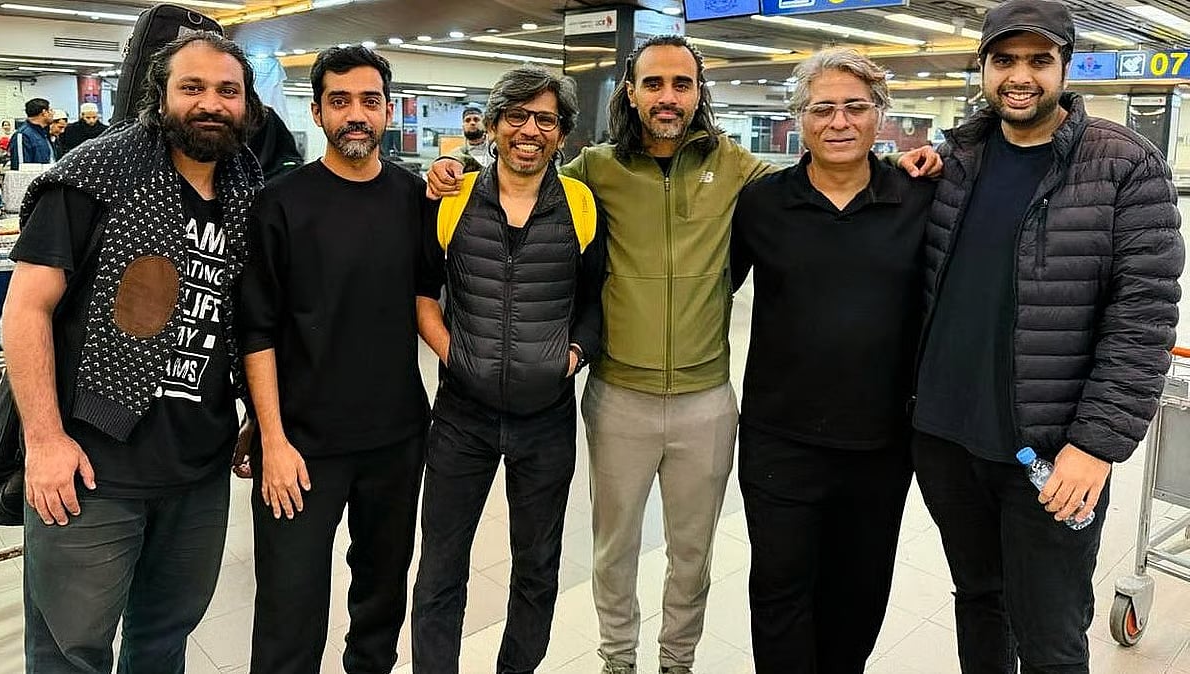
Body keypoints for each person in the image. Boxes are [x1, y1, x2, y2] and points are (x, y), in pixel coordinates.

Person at [429, 35, 940, 674]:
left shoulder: (739, 169)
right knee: (613, 549)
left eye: (681, 84)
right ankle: (618, 658)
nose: (667, 97)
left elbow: (822, 173)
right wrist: (453, 171)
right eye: (653, 84)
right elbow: (525, 177)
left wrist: (910, 160)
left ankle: (677, 660)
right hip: (619, 395)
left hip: (707, 400)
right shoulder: (595, 169)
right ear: (631, 94)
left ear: (700, 94)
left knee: (691, 553)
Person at [910, 1, 1185, 672]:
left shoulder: (1124, 164)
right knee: (979, 601)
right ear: (983, 67)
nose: (1020, 76)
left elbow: (1144, 316)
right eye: (1004, 60)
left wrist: (1095, 445)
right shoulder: (958, 160)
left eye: (1039, 60)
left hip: (1052, 455)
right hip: (946, 439)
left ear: (1066, 66)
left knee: (1050, 635)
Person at [4, 31, 264, 674]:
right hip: (92, 467)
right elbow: (26, 309)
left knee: (163, 642)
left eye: (227, 90)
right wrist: (44, 441)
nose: (210, 103)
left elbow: (245, 320)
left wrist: (255, 414)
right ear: (160, 96)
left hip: (197, 467)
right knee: (70, 653)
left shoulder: (247, 189)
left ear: (246, 104)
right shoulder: (93, 175)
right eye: (192, 87)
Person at [730, 48, 934, 673]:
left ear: (880, 116)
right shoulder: (762, 203)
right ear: (800, 119)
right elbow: (708, 288)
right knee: (779, 590)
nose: (839, 121)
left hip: (882, 442)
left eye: (855, 107)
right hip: (779, 439)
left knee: (858, 591)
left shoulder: (920, 197)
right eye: (822, 108)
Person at [238, 45, 431, 674]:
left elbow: (432, 300)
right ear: (317, 112)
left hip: (396, 439)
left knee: (381, 599)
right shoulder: (280, 202)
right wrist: (271, 438)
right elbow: (256, 330)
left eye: (370, 101)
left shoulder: (413, 198)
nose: (356, 114)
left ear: (387, 111)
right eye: (340, 101)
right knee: (289, 612)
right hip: (301, 447)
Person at [411, 64, 604, 674]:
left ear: (562, 134)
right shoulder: (454, 198)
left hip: (546, 420)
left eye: (545, 120)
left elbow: (594, 300)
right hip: (461, 418)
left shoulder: (580, 204)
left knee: (537, 567)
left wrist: (572, 356)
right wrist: (454, 355)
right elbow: (423, 293)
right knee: (441, 566)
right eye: (516, 116)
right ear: (493, 126)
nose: (529, 131)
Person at [8, 98, 53, 169]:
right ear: (44, 112)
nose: (53, 113)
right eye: (51, 110)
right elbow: (20, 168)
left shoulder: (43, 134)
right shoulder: (22, 135)